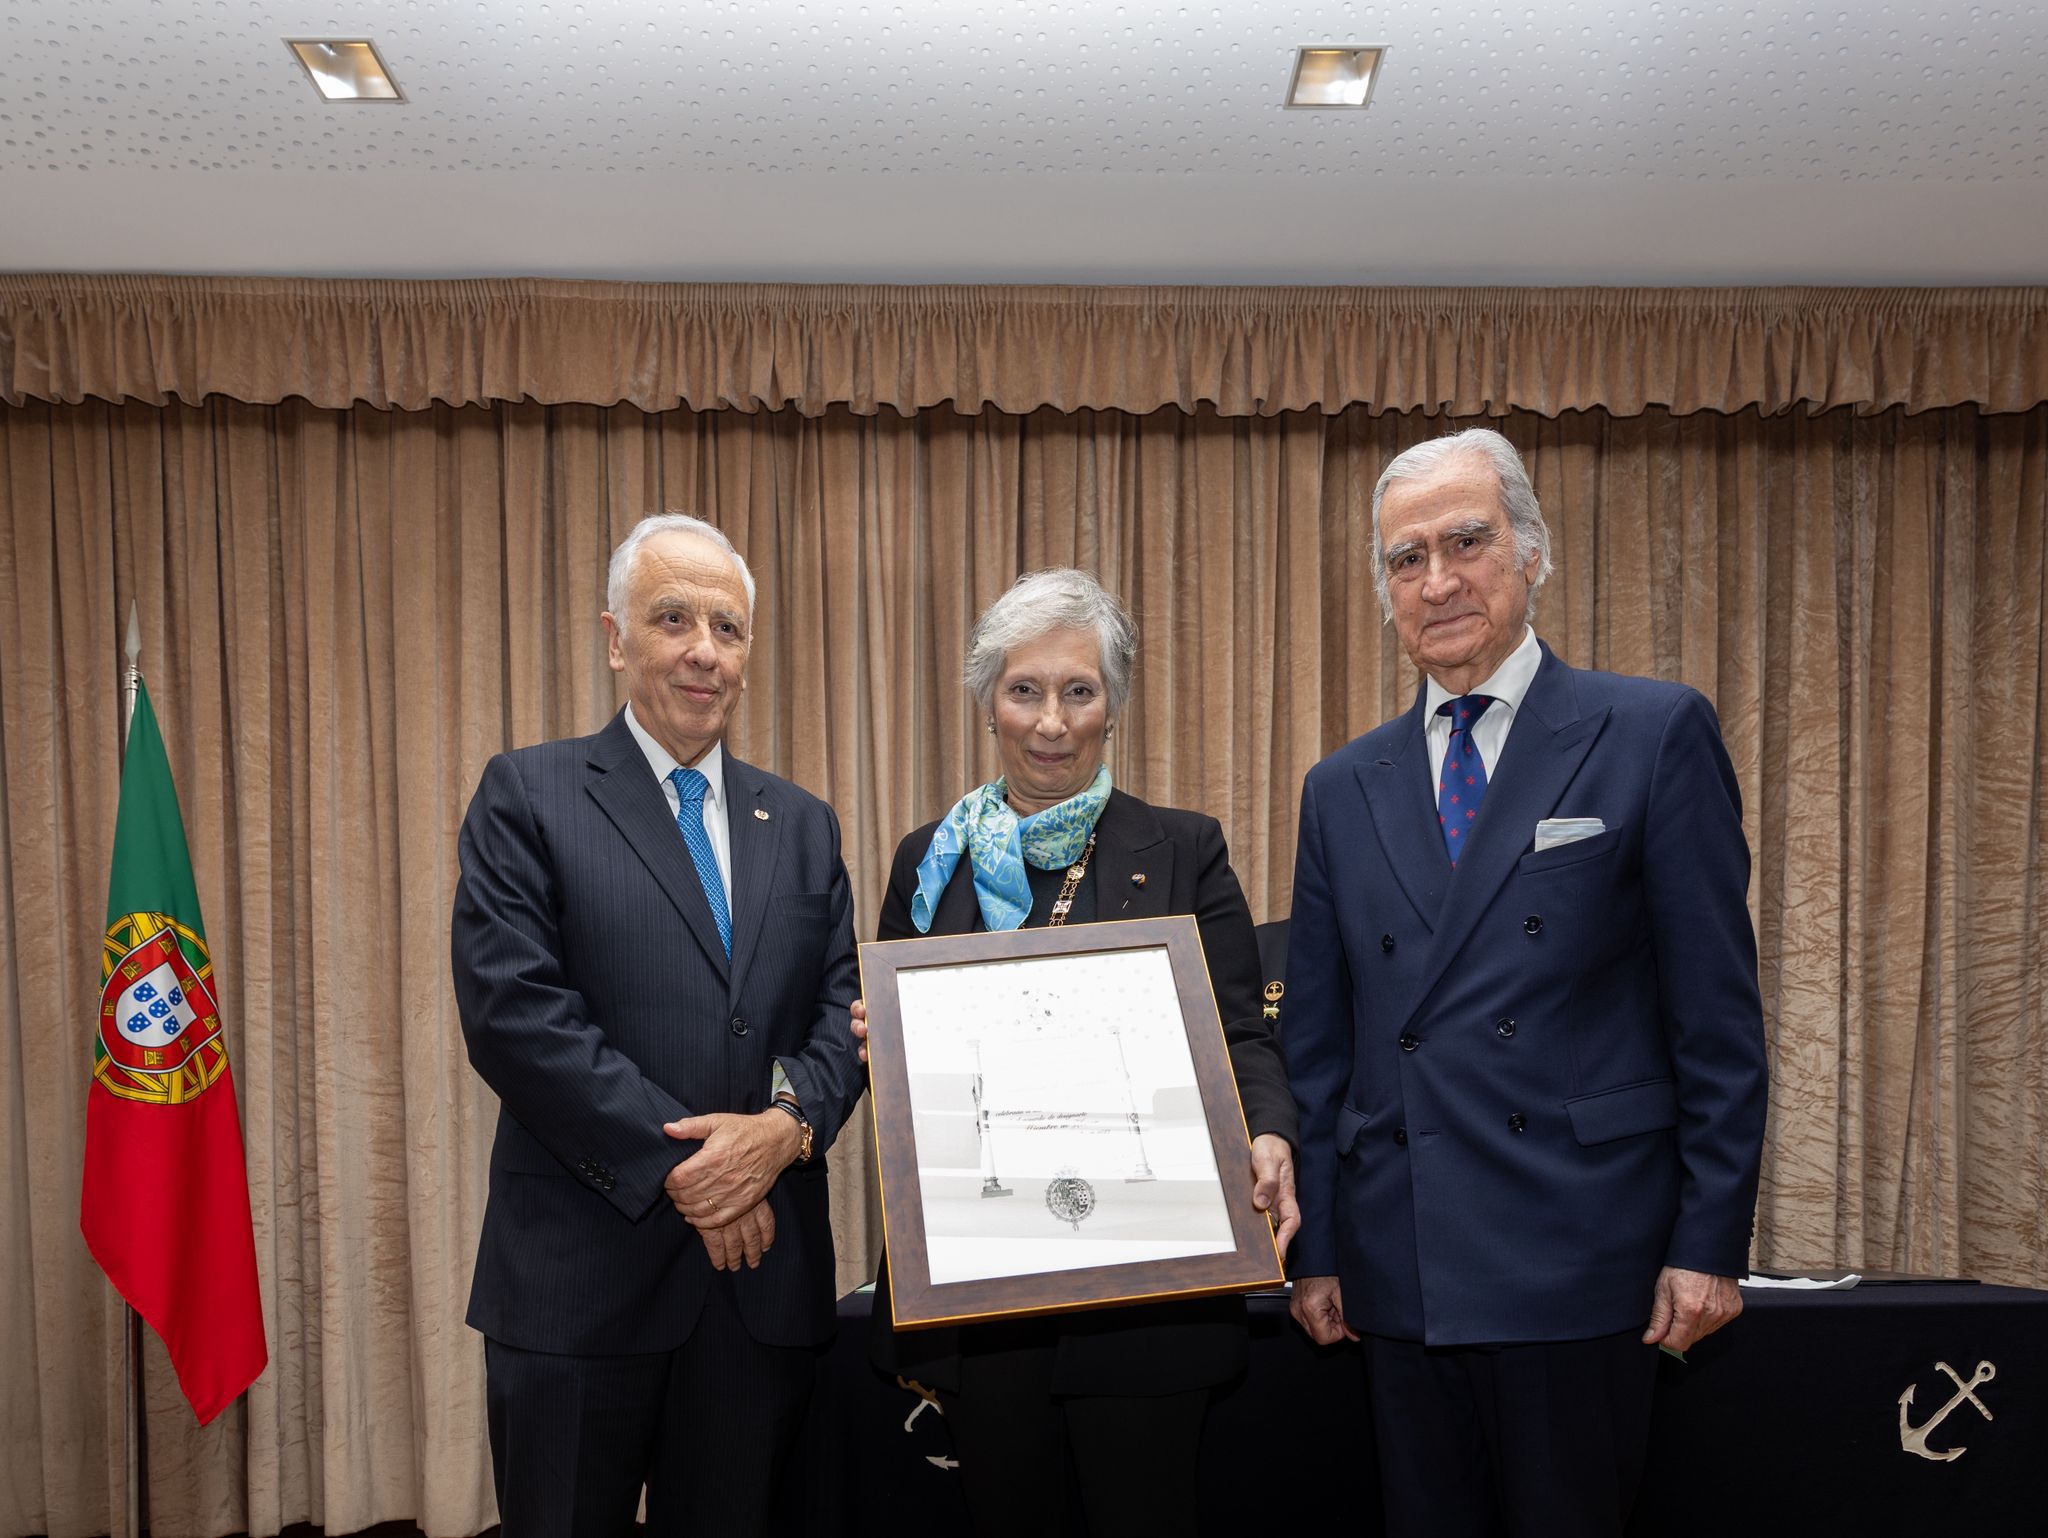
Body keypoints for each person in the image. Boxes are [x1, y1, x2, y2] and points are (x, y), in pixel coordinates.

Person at [1283, 429, 1769, 1538]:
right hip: (1398, 1261)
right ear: (1383, 589)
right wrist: (1315, 1251)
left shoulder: (1646, 732)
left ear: (1531, 553)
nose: (1438, 579)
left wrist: (1707, 1240)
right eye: (1405, 559)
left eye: (1466, 541)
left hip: (1582, 1252)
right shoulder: (1338, 785)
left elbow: (1716, 1022)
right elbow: (1318, 1041)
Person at [853, 568, 1300, 1537]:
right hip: (984, 1290)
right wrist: (884, 1045)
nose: (1050, 720)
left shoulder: (1183, 849)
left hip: (1143, 1294)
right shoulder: (928, 860)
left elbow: (1238, 1031)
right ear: (986, 703)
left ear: (1113, 705)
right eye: (1024, 689)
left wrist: (1266, 1130)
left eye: (1078, 689)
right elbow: (897, 1073)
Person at [451, 513, 864, 1537]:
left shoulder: (803, 822)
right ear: (614, 636)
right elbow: (516, 1012)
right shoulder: (529, 793)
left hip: (758, 1295)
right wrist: (690, 1169)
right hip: (578, 1282)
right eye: (672, 617)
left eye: (725, 626)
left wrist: (782, 1129)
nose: (702, 649)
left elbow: (841, 1012)